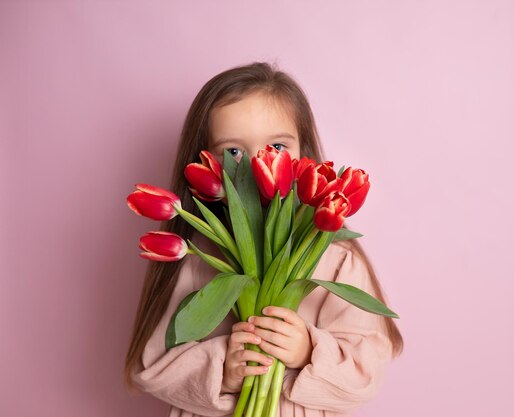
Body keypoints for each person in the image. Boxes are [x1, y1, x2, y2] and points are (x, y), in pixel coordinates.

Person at [124, 61, 404, 417]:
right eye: (234, 152)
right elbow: (153, 367)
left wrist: (308, 350)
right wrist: (223, 368)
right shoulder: (196, 256)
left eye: (277, 147)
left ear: (304, 155)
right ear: (204, 162)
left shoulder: (337, 260)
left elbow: (366, 370)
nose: (257, 165)